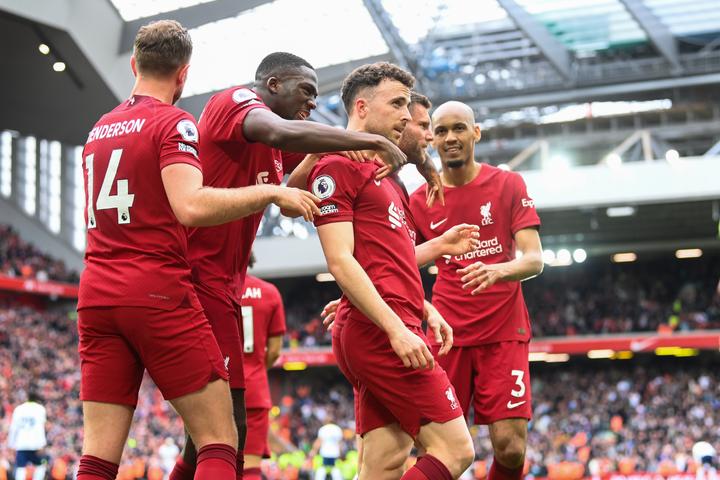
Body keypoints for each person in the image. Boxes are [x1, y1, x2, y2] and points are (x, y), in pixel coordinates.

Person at [77, 20, 318, 480]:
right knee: (220, 441)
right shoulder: (174, 123)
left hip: (96, 294)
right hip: (156, 290)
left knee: (97, 458)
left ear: (134, 64)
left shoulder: (99, 129)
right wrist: (269, 194)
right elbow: (191, 205)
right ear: (184, 74)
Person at [173, 51, 410, 480]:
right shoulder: (236, 101)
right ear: (274, 83)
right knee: (228, 434)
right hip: (194, 279)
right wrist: (365, 139)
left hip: (222, 283)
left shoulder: (267, 148)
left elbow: (287, 200)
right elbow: (282, 132)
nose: (313, 103)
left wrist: (325, 155)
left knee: (203, 440)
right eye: (307, 91)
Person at [308, 62, 477, 480]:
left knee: (383, 464)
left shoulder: (388, 179)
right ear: (362, 106)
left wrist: (425, 308)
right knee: (457, 451)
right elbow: (340, 260)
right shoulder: (337, 165)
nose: (408, 116)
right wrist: (396, 329)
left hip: (391, 321)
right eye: (398, 103)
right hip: (382, 331)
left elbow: (388, 261)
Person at [408, 100, 544, 480]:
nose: (451, 137)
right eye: (441, 131)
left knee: (511, 448)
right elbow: (401, 262)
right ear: (431, 138)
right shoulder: (419, 200)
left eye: (459, 128)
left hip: (504, 332)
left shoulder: (508, 184)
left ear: (476, 132)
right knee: (439, 448)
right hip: (446, 336)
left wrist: (497, 270)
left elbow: (534, 259)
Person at [238, 257, 287, 480]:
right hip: (255, 389)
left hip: (216, 388)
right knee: (250, 467)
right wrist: (256, 367)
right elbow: (275, 351)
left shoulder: (210, 289)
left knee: (214, 458)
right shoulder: (269, 293)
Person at [8, 390, 47, 480]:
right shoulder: (40, 409)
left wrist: (11, 444)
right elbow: (40, 428)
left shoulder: (19, 409)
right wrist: (42, 444)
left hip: (21, 443)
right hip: (36, 444)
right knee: (40, 466)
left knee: (21, 468)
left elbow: (13, 428)